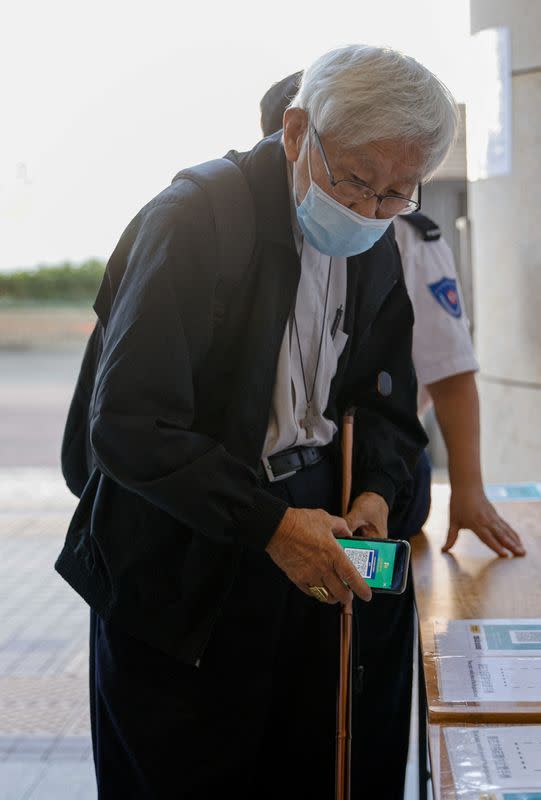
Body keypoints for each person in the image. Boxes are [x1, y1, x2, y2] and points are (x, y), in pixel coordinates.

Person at [56, 45, 459, 799]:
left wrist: (375, 489)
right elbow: (130, 425)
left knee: (306, 766)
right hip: (188, 554)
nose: (371, 210)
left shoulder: (374, 238)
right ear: (298, 129)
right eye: (357, 181)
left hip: (312, 543)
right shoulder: (193, 221)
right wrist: (269, 525)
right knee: (190, 771)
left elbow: (385, 403)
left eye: (398, 193)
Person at [261, 69, 524, 560]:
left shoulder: (404, 236)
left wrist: (467, 489)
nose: (364, 205)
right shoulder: (258, 227)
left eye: (379, 186)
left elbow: (450, 368)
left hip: (382, 459)